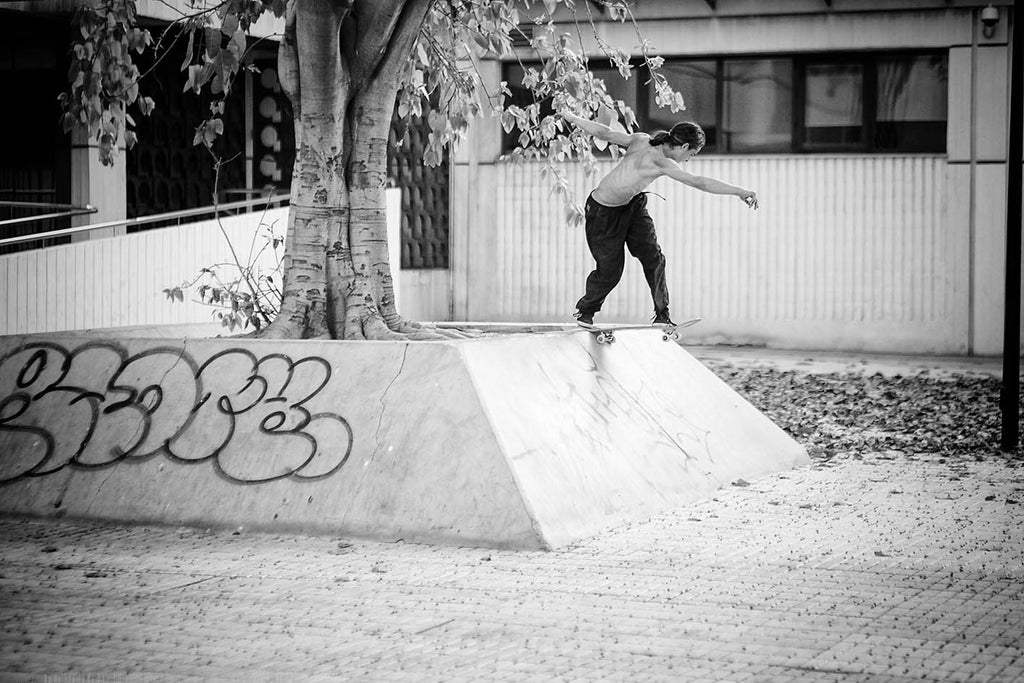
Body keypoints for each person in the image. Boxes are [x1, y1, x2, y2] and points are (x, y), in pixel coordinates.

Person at [560, 112, 759, 329]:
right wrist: (739, 191)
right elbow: (699, 182)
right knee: (610, 271)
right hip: (603, 213)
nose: (687, 160)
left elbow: (604, 133)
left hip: (633, 206)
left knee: (654, 256)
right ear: (683, 147)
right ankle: (586, 312)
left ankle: (662, 314)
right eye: (691, 155)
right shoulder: (655, 155)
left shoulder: (643, 140)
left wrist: (572, 117)